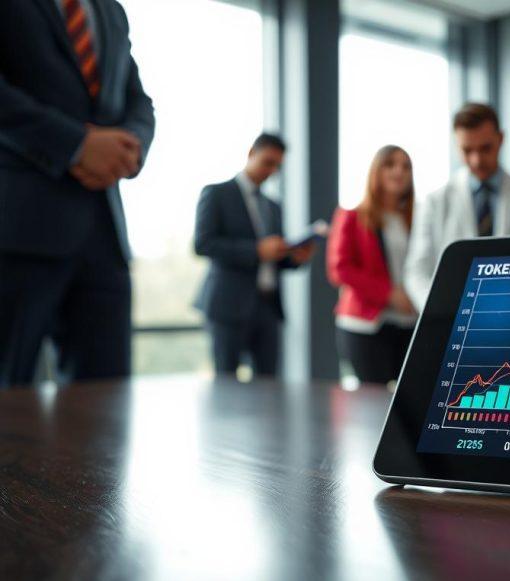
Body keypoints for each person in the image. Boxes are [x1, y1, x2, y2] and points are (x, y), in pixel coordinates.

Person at [0, 0, 155, 388]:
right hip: (18, 226)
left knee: (107, 405)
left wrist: (130, 146)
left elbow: (138, 99)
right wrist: (75, 145)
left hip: (104, 230)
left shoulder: (111, 10)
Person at [405, 103, 510, 310]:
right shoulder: (434, 202)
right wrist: (438, 310)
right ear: (456, 145)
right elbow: (416, 271)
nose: (476, 160)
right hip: (452, 316)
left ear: (500, 139)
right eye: (467, 150)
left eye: (485, 148)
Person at [193, 133, 316, 379]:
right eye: (268, 162)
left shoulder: (273, 206)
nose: (271, 170)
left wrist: (295, 258)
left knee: (269, 387)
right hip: (228, 305)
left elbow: (276, 259)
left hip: (268, 308)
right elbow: (203, 245)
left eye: (277, 166)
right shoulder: (217, 194)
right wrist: (256, 250)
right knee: (226, 383)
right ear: (251, 153)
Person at [326, 145, 417, 385]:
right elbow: (339, 269)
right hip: (365, 325)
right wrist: (389, 294)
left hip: (409, 321)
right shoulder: (352, 216)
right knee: (371, 404)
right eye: (390, 164)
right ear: (376, 171)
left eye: (406, 166)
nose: (399, 171)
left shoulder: (417, 219)